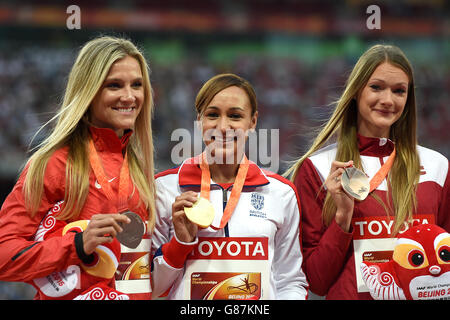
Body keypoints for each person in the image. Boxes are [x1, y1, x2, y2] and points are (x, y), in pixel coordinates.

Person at [285, 44, 450, 299]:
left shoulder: (438, 167)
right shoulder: (317, 169)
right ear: (355, 92)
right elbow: (316, 281)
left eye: (399, 91)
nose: (387, 100)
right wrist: (343, 216)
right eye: (376, 87)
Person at [0, 36, 156, 300]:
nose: (129, 96)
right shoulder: (54, 163)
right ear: (89, 90)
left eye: (137, 85)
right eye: (114, 85)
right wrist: (77, 245)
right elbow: (4, 254)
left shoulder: (140, 170)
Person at [151, 73, 308, 300]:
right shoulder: (165, 189)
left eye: (235, 116)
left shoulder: (280, 193)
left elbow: (290, 281)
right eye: (212, 115)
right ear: (199, 121)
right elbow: (149, 288)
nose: (223, 127)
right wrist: (181, 243)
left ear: (252, 122)